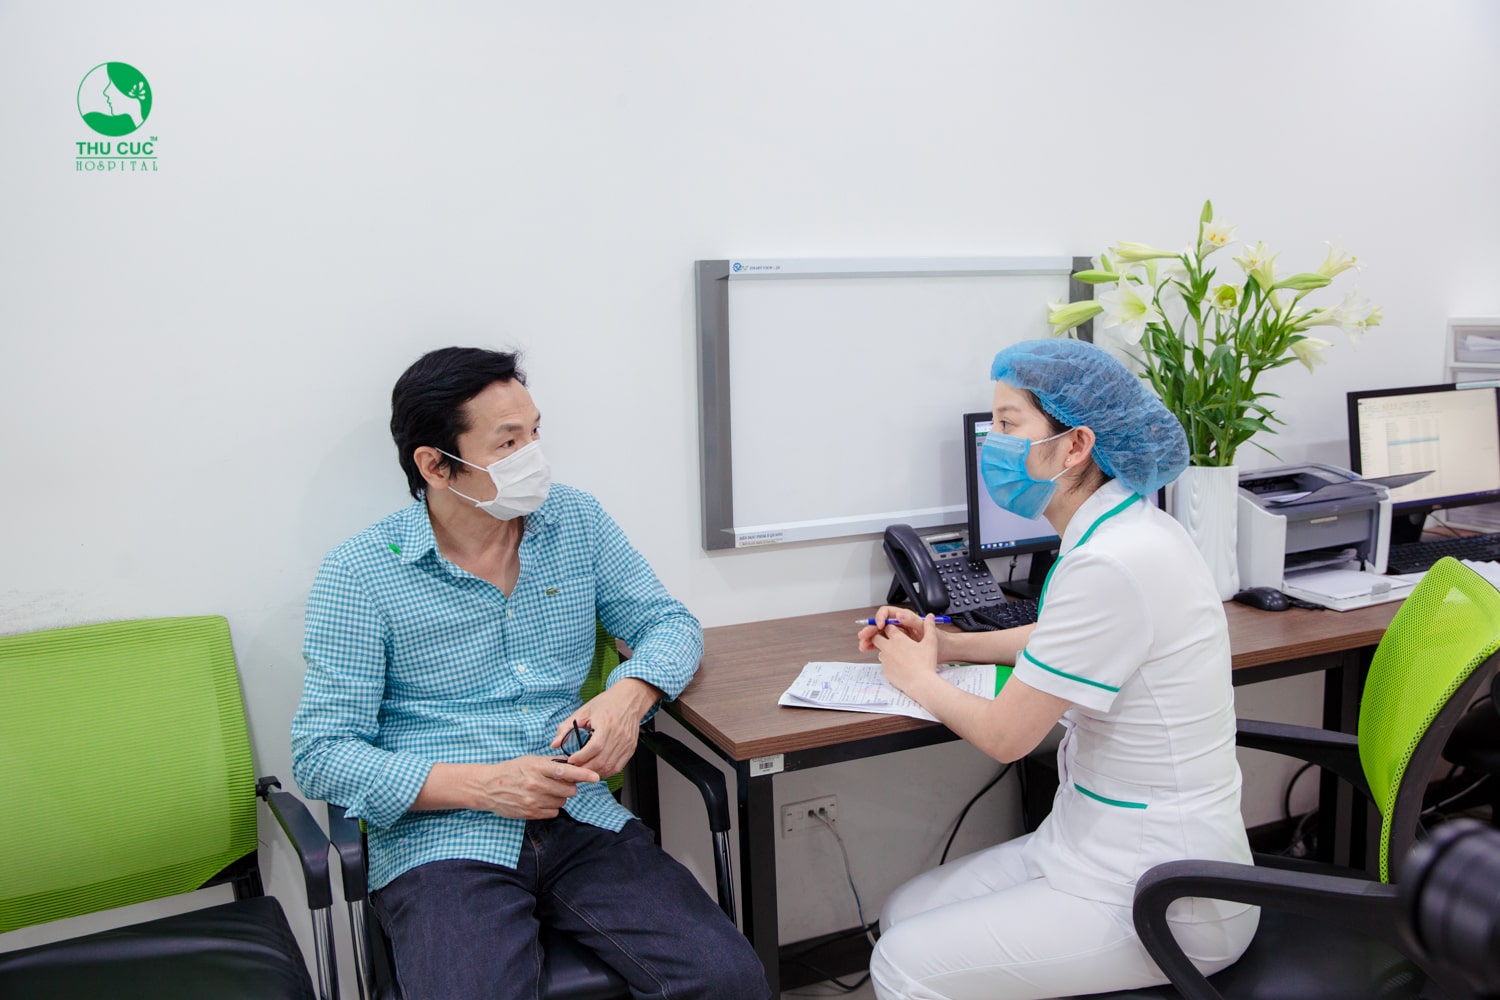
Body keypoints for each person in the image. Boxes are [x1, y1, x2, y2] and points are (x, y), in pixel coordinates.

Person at [291, 347, 767, 1000]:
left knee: (728, 978)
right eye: (508, 442)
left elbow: (670, 623)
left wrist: (628, 697)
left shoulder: (576, 521)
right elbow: (321, 754)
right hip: (443, 841)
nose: (533, 456)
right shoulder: (361, 574)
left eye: (535, 432)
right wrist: (486, 786)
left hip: (581, 817)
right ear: (435, 465)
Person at [859, 337, 1258, 1000]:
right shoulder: (1127, 528)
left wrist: (916, 678)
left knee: (901, 963)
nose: (992, 443)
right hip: (1089, 845)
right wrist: (948, 646)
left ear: (1074, 446)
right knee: (904, 913)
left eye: (1008, 424)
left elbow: (1006, 737)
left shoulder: (1113, 560)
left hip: (1165, 893)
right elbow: (1062, 638)